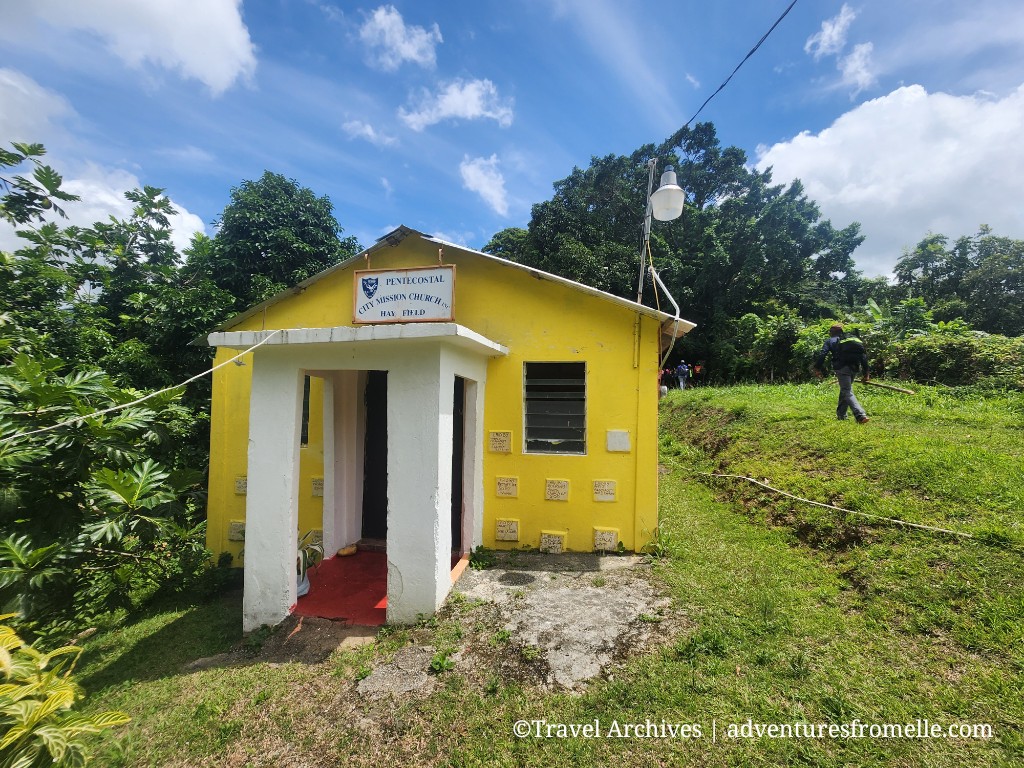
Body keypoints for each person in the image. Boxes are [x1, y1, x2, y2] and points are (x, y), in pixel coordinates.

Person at [814, 324, 870, 423]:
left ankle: (860, 415)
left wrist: (817, 368)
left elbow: (823, 354)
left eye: (830, 332)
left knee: (846, 391)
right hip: (854, 367)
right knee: (845, 390)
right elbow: (863, 356)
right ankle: (841, 415)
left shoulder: (830, 341)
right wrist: (866, 373)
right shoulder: (851, 340)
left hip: (842, 368)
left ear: (832, 332)